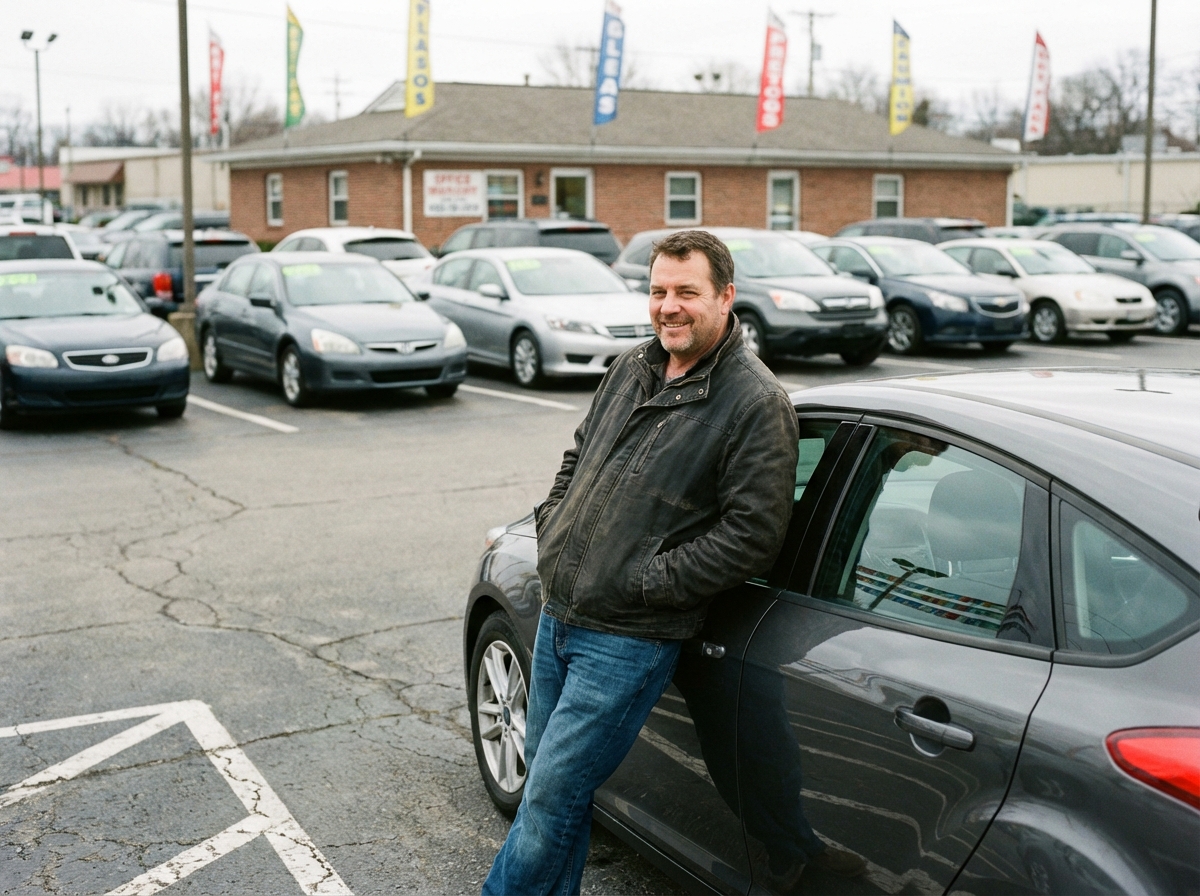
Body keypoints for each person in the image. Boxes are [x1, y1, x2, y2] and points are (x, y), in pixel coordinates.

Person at [482, 230, 800, 895]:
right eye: (658, 291)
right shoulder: (633, 365)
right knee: (551, 788)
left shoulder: (754, 402)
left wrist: (646, 581)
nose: (668, 306)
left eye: (687, 292)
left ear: (726, 297)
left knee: (550, 795)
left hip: (628, 637)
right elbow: (579, 456)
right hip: (561, 611)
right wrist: (554, 527)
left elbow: (752, 535)